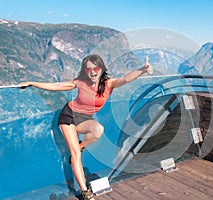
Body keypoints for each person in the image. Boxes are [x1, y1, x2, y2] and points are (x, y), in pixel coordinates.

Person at [19, 54, 153, 200]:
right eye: (88, 69)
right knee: (75, 155)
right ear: (85, 71)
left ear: (101, 68)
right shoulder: (81, 83)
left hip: (83, 119)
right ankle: (84, 191)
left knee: (98, 130)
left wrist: (143, 70)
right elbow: (57, 86)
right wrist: (32, 83)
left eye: (96, 68)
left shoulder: (109, 84)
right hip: (68, 116)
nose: (93, 72)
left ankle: (80, 145)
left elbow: (126, 78)